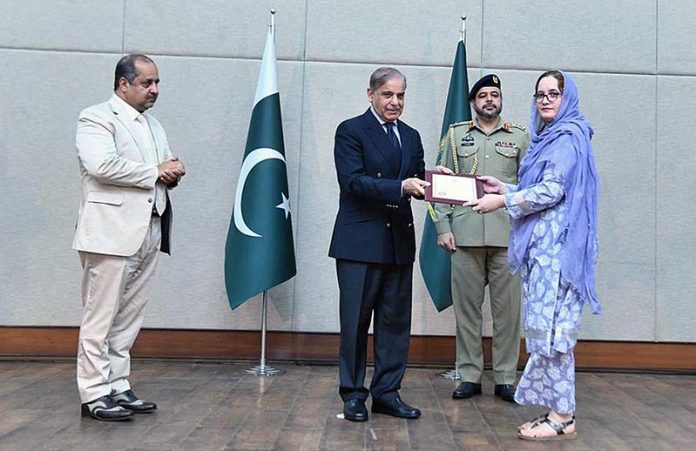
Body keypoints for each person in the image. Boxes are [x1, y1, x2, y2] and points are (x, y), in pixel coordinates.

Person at [465, 70, 600, 440]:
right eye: (539, 94)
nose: (544, 100)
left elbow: (551, 192)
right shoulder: (548, 139)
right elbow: (539, 188)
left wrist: (503, 201)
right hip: (544, 254)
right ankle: (558, 410)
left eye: (553, 94)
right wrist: (505, 186)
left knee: (556, 336)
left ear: (566, 97)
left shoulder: (568, 138)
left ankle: (562, 416)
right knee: (546, 334)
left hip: (559, 257)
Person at [329, 67, 448, 422]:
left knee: (394, 326)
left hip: (397, 242)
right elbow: (353, 182)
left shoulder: (410, 136)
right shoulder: (350, 130)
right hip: (359, 244)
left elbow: (415, 177)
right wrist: (402, 187)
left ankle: (387, 393)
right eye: (387, 95)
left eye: (400, 96)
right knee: (355, 324)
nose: (395, 102)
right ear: (371, 95)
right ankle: (353, 395)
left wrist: (434, 180)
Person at [73, 54, 186, 421]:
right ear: (123, 84)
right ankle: (93, 393)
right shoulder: (96, 117)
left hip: (149, 228)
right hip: (109, 233)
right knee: (100, 316)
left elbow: (162, 165)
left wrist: (172, 170)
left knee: (128, 317)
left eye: (157, 83)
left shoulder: (153, 124)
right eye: (146, 83)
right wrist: (156, 171)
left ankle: (118, 385)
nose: (154, 90)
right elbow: (101, 166)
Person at [434, 74, 529, 402]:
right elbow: (438, 186)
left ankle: (505, 377)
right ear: (473, 102)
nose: (490, 99)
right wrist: (443, 228)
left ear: (501, 100)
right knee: (467, 312)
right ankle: (470, 375)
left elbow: (529, 188)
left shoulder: (519, 136)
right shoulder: (456, 134)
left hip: (508, 237)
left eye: (495, 95)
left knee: (508, 313)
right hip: (465, 234)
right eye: (483, 95)